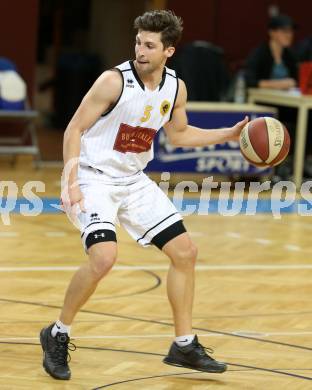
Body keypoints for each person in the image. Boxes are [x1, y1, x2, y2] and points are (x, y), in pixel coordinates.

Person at [39, 10, 248, 380]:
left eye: (149, 45)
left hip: (134, 181)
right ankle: (57, 334)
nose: (140, 50)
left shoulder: (175, 87)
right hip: (92, 178)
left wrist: (228, 135)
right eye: (138, 42)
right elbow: (74, 129)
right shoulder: (112, 81)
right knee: (104, 258)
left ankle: (183, 344)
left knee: (185, 252)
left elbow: (180, 135)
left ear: (168, 50)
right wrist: (70, 182)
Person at [245, 14, 298, 90]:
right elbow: (249, 81)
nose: (289, 35)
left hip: (286, 98)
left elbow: (296, 80)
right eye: (284, 31)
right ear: (272, 32)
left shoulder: (290, 55)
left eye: (291, 31)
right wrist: (278, 84)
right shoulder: (260, 53)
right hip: (262, 98)